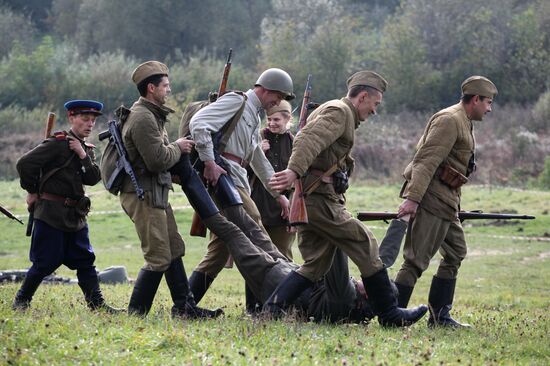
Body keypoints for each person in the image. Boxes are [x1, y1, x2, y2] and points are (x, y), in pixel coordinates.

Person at [266, 70, 428, 327]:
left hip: (317, 197)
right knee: (365, 243)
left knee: (315, 265)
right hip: (320, 200)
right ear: (363, 96)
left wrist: (342, 174)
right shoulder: (339, 112)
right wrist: (293, 171)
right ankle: (389, 314)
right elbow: (307, 139)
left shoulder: (342, 115)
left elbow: (331, 157)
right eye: (375, 104)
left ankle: (271, 310)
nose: (374, 111)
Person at [120, 60, 222, 319]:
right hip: (143, 194)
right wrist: (178, 146)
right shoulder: (143, 117)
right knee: (158, 256)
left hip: (156, 192)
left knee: (174, 248)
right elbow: (156, 159)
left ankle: (184, 308)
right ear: (151, 88)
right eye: (165, 85)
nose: (169, 89)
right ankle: (136, 314)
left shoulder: (152, 114)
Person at [393, 76, 498, 328]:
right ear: (475, 99)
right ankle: (393, 315)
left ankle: (440, 317)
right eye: (488, 102)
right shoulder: (450, 120)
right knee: (416, 260)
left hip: (447, 202)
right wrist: (413, 199)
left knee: (456, 252)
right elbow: (425, 161)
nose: (489, 108)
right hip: (431, 199)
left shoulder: (465, 120)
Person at [187, 68, 294, 309]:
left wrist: (279, 196)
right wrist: (209, 161)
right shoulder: (237, 101)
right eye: (277, 95)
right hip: (226, 178)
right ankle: (265, 303)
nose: (278, 102)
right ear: (264, 89)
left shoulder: (254, 115)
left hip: (237, 177)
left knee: (220, 248)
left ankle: (186, 303)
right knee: (254, 226)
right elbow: (199, 123)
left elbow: (258, 160)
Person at [13, 100, 120, 313]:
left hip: (76, 215)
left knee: (85, 261)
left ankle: (97, 305)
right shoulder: (57, 143)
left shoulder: (85, 148)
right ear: (71, 118)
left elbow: (92, 178)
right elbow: (25, 164)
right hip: (51, 213)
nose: (89, 124)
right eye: (84, 119)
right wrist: (32, 191)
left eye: (92, 120)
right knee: (45, 262)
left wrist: (82, 155)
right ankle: (21, 302)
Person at [249, 100, 296, 259]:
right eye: (269, 119)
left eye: (276, 120)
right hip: (258, 205)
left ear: (287, 119)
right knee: (257, 258)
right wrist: (257, 153)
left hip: (284, 211)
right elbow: (240, 169)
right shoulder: (257, 138)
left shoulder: (295, 143)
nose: (271, 123)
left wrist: (294, 214)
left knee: (283, 257)